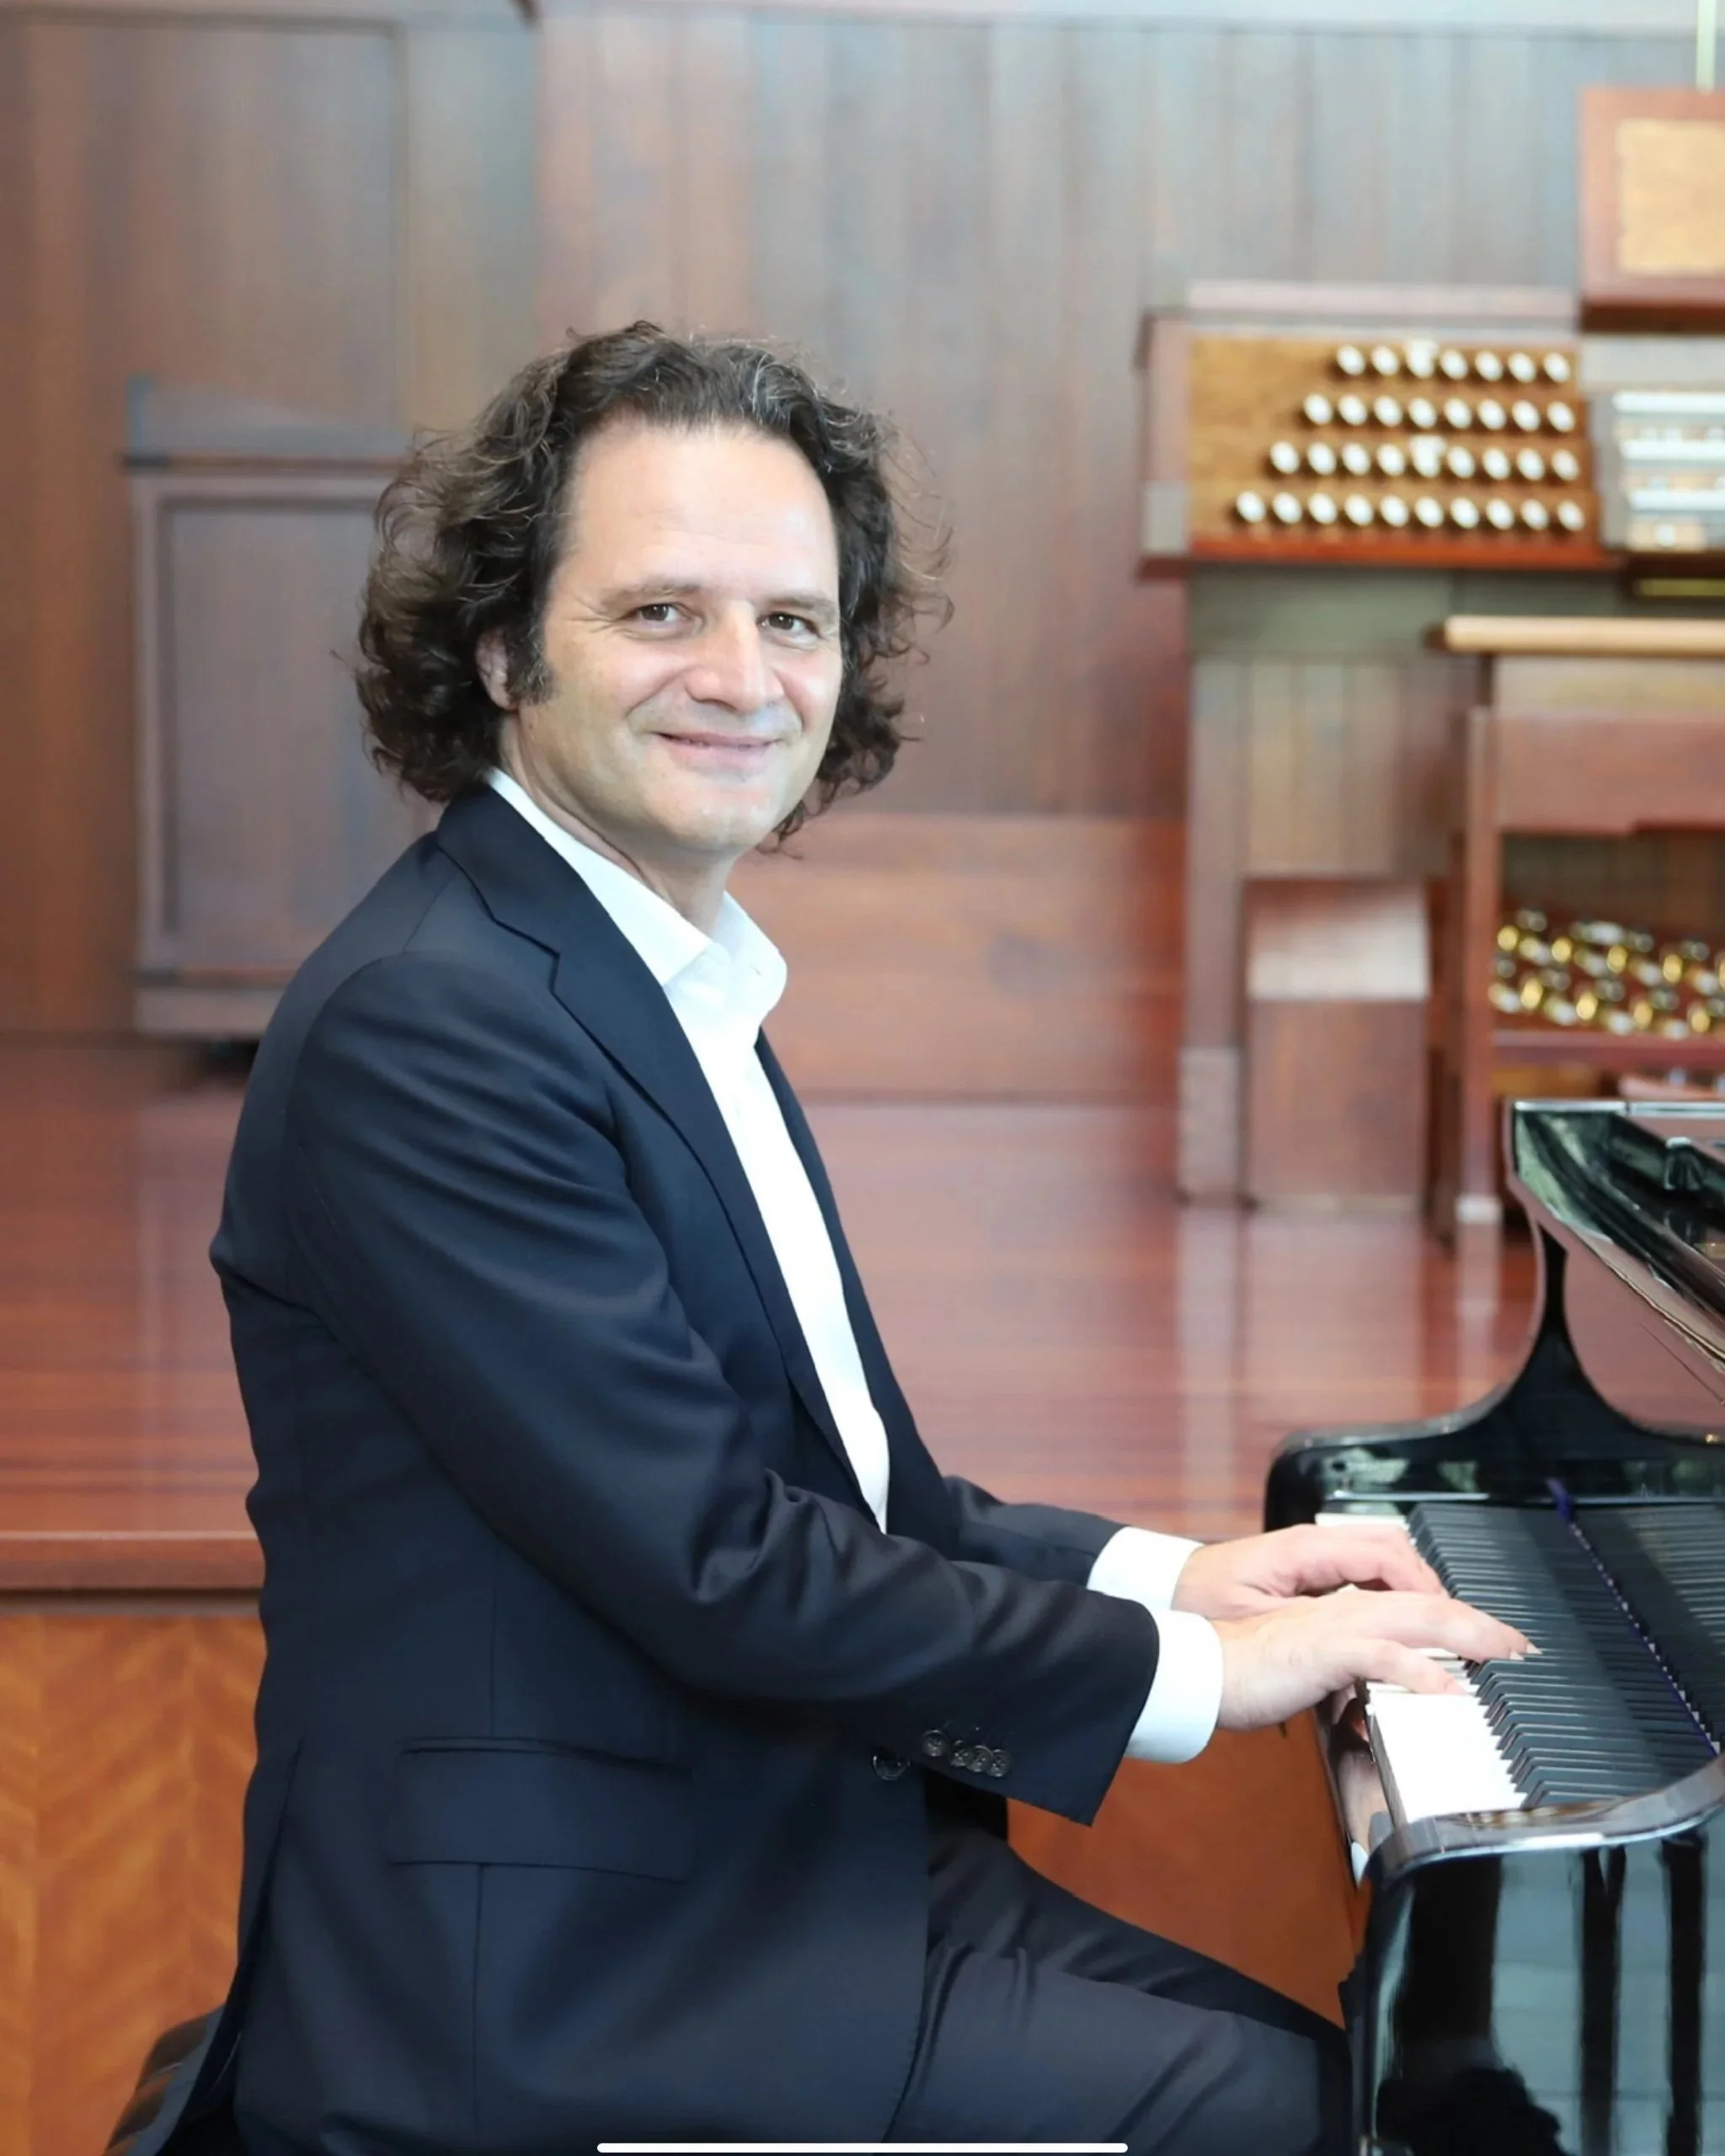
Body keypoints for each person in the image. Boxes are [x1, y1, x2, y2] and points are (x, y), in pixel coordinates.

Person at [138, 324, 1529, 2156]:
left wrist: (1178, 1578)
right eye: (661, 613)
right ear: (500, 649)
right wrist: (1201, 1681)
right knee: (1320, 2120)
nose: (742, 677)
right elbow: (722, 1559)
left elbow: (844, 1500)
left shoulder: (639, 972)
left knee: (1399, 2098)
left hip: (772, 1863)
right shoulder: (437, 1024)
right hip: (570, 1977)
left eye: (792, 621)